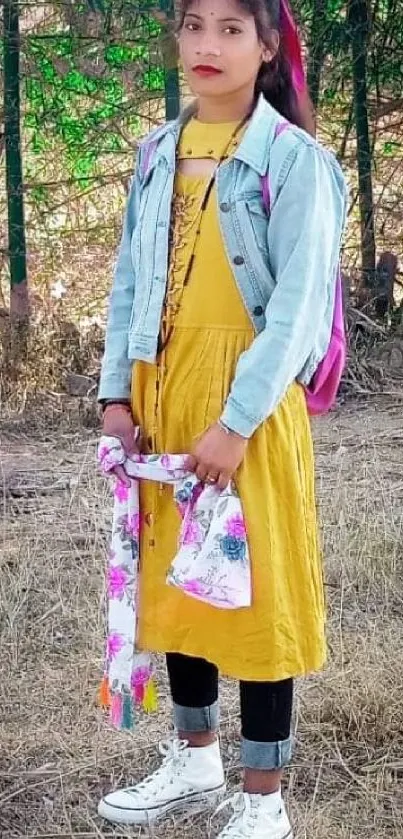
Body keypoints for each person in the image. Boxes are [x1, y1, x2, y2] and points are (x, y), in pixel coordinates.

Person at [97, 0, 347, 836]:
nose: (206, 45)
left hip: (248, 400)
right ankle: (194, 757)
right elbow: (129, 283)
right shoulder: (156, 153)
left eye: (230, 29)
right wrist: (116, 395)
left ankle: (262, 800)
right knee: (179, 581)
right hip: (163, 389)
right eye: (193, 25)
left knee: (254, 587)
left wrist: (235, 422)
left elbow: (297, 312)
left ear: (268, 46)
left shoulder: (293, 161)